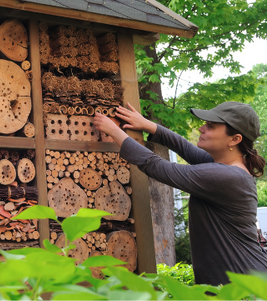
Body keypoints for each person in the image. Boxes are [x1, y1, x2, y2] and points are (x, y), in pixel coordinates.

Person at [93, 101, 267, 286]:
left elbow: (157, 166)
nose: (201, 128)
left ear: (234, 139)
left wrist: (114, 131)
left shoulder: (228, 176)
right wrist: (147, 124)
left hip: (245, 288)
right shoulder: (226, 168)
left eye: (210, 126)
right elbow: (184, 147)